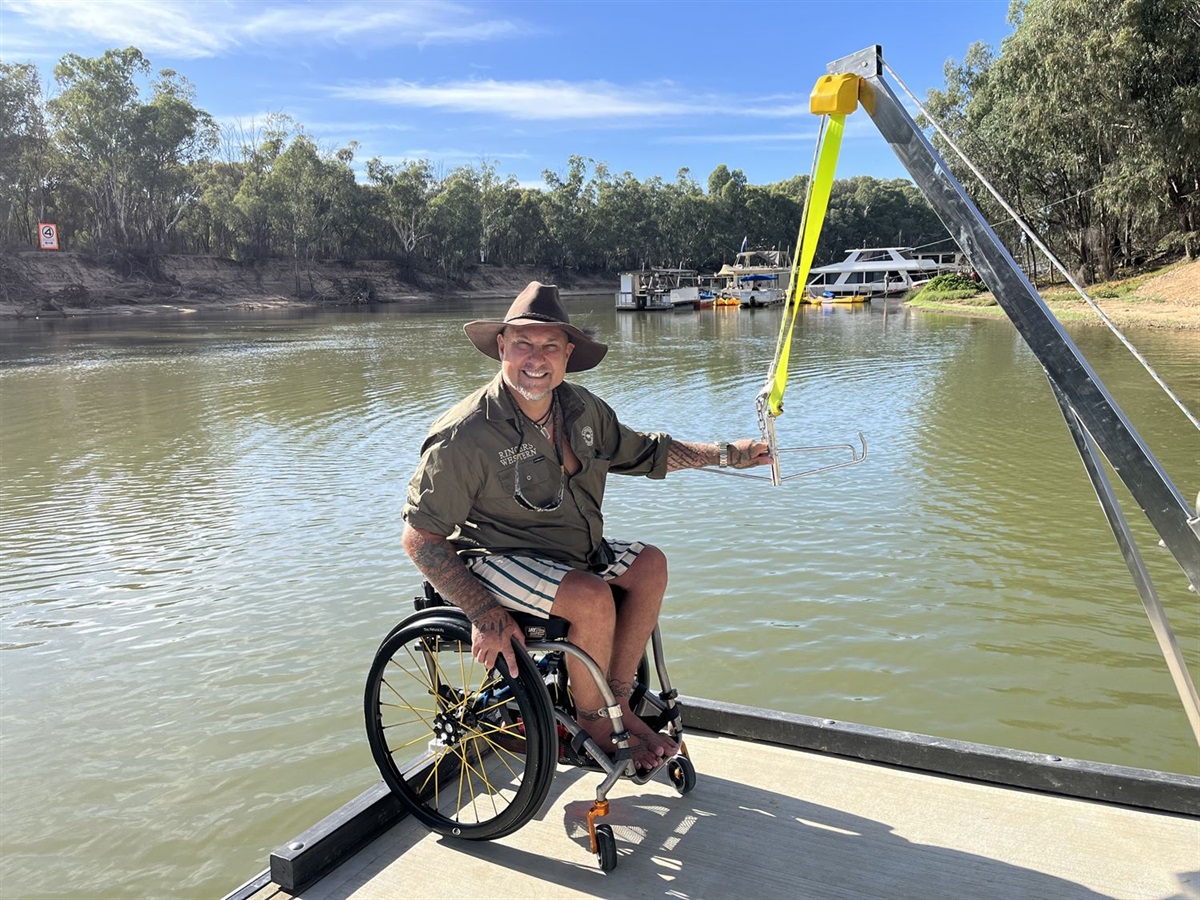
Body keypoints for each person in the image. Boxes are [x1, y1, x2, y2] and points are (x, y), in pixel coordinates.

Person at [401, 281, 771, 769]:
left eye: (550, 345)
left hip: (571, 554)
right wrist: (484, 614)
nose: (536, 358)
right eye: (523, 344)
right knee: (591, 597)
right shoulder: (464, 434)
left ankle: (614, 700)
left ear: (567, 353)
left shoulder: (581, 409)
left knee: (649, 565)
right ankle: (596, 724)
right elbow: (420, 539)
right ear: (501, 348)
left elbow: (646, 452)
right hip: (492, 556)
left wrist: (729, 455)